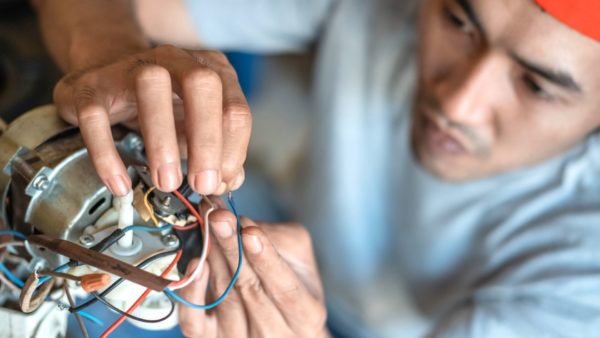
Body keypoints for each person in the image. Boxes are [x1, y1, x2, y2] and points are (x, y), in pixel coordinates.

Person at [33, 0, 600, 337]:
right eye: (459, 21)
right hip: (269, 238)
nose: (458, 104)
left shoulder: (587, 270)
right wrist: (109, 56)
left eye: (536, 85)